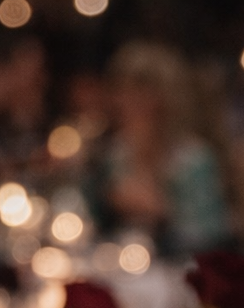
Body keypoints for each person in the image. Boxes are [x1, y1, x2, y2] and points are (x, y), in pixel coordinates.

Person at [89, 42, 229, 257]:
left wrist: (162, 212)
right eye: (122, 91)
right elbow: (92, 226)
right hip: (123, 264)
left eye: (140, 94)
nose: (125, 103)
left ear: (167, 100)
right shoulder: (115, 153)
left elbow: (210, 238)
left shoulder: (194, 159)